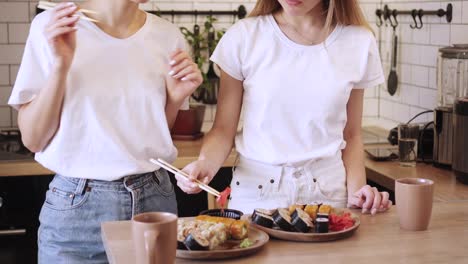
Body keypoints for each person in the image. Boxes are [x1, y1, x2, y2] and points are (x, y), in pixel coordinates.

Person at [8, 0, 202, 262]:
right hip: (77, 210)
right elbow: (32, 139)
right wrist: (60, 66)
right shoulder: (54, 26)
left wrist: (175, 100)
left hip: (155, 200)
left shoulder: (168, 37)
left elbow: (151, 137)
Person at [177, 0, 392, 215]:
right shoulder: (244, 36)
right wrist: (204, 164)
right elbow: (223, 130)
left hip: (329, 196)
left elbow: (352, 135)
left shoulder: (358, 42)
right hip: (257, 196)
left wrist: (358, 197)